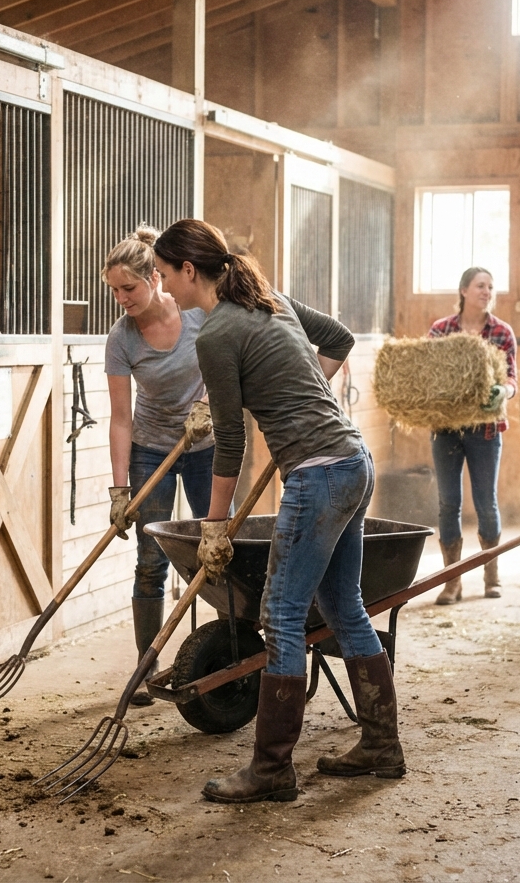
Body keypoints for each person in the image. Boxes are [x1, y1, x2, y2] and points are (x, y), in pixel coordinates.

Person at [153, 219, 404, 805]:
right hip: (352, 459)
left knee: (281, 616)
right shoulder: (272, 300)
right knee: (343, 605)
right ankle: (381, 746)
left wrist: (215, 526)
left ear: (190, 272)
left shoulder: (216, 334)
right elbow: (339, 338)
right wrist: (301, 387)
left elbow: (233, 445)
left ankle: (271, 769)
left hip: (318, 474)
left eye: (166, 277)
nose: (165, 289)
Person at [103, 226, 215, 706]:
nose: (121, 298)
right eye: (113, 290)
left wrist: (209, 404)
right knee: (150, 561)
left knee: (217, 550)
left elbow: (226, 366)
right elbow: (121, 419)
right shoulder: (122, 339)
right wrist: (119, 489)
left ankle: (228, 650)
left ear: (155, 277)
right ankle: (144, 667)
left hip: (207, 444)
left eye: (128, 287)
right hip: (153, 449)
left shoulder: (197, 317)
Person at [428, 267, 518, 604]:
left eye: (491, 287)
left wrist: (503, 392)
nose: (487, 291)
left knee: (486, 502)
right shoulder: (441, 330)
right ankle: (452, 582)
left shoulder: (501, 332)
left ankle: (491, 577)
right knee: (448, 503)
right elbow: (426, 373)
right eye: (481, 285)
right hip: (446, 430)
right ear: (464, 290)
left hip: (485, 430)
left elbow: (512, 378)